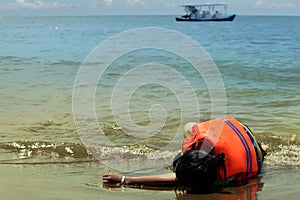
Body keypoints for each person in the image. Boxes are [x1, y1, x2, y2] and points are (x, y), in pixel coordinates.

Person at [103, 117, 268, 193]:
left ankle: (262, 147)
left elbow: (173, 180)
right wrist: (124, 180)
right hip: (244, 136)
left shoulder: (223, 178)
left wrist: (126, 180)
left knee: (188, 132)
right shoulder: (220, 174)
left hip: (244, 137)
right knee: (191, 127)